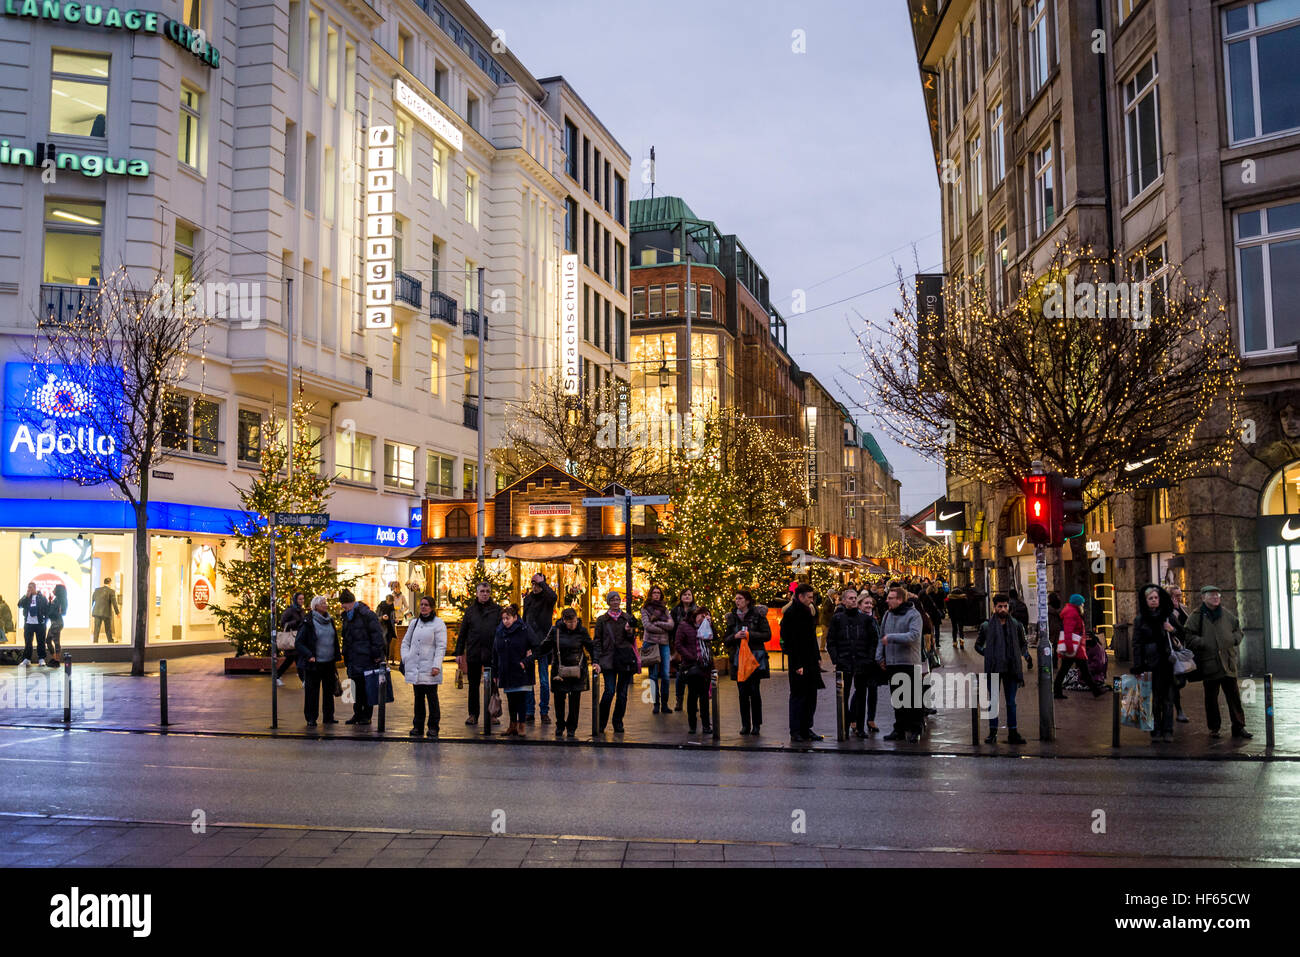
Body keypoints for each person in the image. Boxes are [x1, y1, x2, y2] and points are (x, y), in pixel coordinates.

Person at [1183, 585, 1251, 740]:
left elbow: (1238, 630)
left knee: (1234, 696)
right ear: (1203, 598)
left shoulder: (1226, 614)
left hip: (1227, 662)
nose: (1216, 598)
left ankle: (1239, 727)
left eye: (1218, 595)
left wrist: (1234, 639)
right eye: (1212, 595)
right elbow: (1188, 635)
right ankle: (1214, 728)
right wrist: (1202, 642)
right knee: (1211, 698)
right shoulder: (1197, 615)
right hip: (1209, 663)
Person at [975, 594, 1033, 745]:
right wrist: (988, 654)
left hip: (1011, 668)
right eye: (999, 606)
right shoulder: (986, 626)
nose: (1002, 609)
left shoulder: (1016, 624)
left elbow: (1023, 643)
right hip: (994, 667)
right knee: (993, 702)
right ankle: (992, 732)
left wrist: (1023, 655)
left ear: (1008, 607)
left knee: (1011, 702)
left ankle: (1013, 732)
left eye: (1005, 606)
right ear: (994, 608)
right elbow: (978, 645)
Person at [825, 586, 878, 739]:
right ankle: (845, 725)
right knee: (844, 695)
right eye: (850, 598)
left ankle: (860, 727)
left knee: (861, 696)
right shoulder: (838, 618)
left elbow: (873, 640)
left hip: (862, 662)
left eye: (855, 598)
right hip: (845, 662)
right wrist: (837, 659)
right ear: (843, 601)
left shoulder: (866, 619)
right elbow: (831, 640)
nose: (854, 601)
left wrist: (869, 658)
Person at [1131, 584, 1177, 744]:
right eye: (1150, 598)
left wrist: (1171, 630)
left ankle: (1168, 730)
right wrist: (1137, 666)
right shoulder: (1140, 619)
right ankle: (1156, 729)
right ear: (1145, 601)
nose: (1153, 601)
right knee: (1154, 699)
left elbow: (1182, 634)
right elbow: (1136, 644)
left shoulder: (1168, 616)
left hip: (1167, 663)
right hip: (1150, 663)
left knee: (1168, 699)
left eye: (1156, 598)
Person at [722, 589, 771, 736]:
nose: (737, 601)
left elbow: (767, 635)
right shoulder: (732, 618)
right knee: (742, 693)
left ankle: (756, 725)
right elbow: (726, 639)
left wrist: (750, 635)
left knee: (755, 692)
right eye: (736, 599)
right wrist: (735, 636)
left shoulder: (758, 615)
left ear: (748, 601)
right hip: (738, 660)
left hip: (754, 659)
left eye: (740, 599)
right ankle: (745, 725)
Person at [878, 586, 924, 741]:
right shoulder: (887, 614)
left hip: (909, 662)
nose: (887, 600)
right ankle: (899, 729)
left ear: (899, 599)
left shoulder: (914, 615)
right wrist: (880, 657)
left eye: (890, 598)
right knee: (897, 699)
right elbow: (881, 636)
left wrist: (892, 637)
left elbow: (914, 636)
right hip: (892, 662)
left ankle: (916, 728)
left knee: (913, 699)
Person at [541, 607, 594, 739]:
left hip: (577, 670)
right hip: (559, 670)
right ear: (564, 620)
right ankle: (560, 725)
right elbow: (545, 646)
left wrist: (596, 661)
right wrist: (531, 654)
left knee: (575, 701)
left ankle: (572, 727)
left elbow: (591, 647)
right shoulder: (555, 631)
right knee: (559, 700)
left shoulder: (581, 631)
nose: (572, 624)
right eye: (570, 622)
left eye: (575, 621)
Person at [454, 582, 502, 725]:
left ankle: (493, 713)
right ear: (476, 593)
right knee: (473, 685)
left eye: (487, 591)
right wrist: (459, 653)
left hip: (492, 652)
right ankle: (473, 714)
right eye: (482, 591)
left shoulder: (497, 610)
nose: (485, 593)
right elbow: (462, 634)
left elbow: (501, 632)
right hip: (474, 652)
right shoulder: (470, 611)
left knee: (493, 685)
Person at [339, 588, 387, 725]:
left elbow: (377, 636)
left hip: (366, 658)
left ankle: (366, 715)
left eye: (344, 603)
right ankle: (357, 714)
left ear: (350, 602)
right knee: (355, 687)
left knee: (367, 688)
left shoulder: (367, 615)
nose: (342, 606)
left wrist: (377, 655)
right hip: (353, 658)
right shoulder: (347, 616)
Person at [592, 591, 639, 734]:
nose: (615, 602)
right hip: (607, 660)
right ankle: (601, 722)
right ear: (608, 602)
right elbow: (597, 641)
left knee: (622, 693)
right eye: (612, 599)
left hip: (624, 659)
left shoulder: (627, 618)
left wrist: (629, 631)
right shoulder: (601, 620)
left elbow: (632, 641)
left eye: (617, 599)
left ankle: (618, 721)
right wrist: (596, 660)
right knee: (609, 691)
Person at [401, 595, 447, 737]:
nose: (423, 607)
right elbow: (405, 642)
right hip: (415, 667)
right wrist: (406, 658)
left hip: (430, 668)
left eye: (426, 605)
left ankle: (433, 726)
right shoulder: (414, 623)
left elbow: (440, 646)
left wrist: (436, 665)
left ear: (432, 607)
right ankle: (418, 726)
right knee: (418, 698)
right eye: (421, 604)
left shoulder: (438, 624)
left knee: (432, 698)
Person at [784, 583, 824, 742]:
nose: (811, 600)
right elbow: (789, 641)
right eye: (809, 597)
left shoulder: (808, 611)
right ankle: (796, 730)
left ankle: (807, 728)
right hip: (799, 662)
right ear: (800, 596)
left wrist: (818, 657)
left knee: (811, 696)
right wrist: (797, 664)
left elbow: (812, 638)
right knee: (799, 696)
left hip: (811, 660)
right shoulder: (791, 613)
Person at [492, 603, 538, 737]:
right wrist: (495, 672)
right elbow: (495, 653)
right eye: (503, 618)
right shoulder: (500, 632)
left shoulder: (524, 629)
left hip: (521, 670)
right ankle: (512, 725)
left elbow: (537, 648)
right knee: (511, 699)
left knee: (521, 699)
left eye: (508, 618)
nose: (505, 621)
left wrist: (526, 662)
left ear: (515, 618)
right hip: (506, 670)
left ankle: (521, 724)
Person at [295, 596, 340, 727]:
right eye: (323, 603)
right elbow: (299, 643)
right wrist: (309, 655)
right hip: (314, 663)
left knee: (328, 691)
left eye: (326, 603)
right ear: (316, 606)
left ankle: (328, 717)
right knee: (312, 692)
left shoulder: (330, 620)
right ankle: (311, 718)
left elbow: (334, 640)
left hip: (329, 662)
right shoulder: (308, 622)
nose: (326, 605)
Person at [1054, 593, 1106, 698]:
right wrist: (1069, 648)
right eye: (1082, 603)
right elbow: (1068, 632)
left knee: (1072, 670)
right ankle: (1096, 690)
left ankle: (1095, 691)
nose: (1083, 605)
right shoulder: (1071, 613)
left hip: (1075, 647)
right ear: (1077, 604)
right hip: (1074, 648)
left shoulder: (1072, 611)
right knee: (1079, 670)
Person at [522, 572, 558, 725]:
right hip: (530, 644)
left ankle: (544, 711)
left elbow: (553, 597)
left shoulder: (547, 599)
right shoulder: (528, 599)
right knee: (529, 680)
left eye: (538, 584)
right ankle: (529, 711)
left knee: (544, 680)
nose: (535, 587)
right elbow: (525, 620)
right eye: (533, 584)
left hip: (544, 644)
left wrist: (543, 583)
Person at [675, 607, 713, 733]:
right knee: (692, 696)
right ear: (695, 615)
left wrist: (711, 624)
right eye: (702, 616)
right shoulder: (684, 626)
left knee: (704, 696)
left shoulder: (707, 626)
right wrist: (692, 657)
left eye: (706, 616)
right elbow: (678, 644)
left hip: (705, 665)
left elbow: (715, 637)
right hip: (691, 666)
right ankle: (692, 725)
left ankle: (706, 725)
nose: (704, 619)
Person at [640, 584, 675, 713]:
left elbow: (671, 625)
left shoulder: (665, 609)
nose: (656, 595)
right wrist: (663, 628)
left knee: (665, 675)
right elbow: (647, 626)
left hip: (664, 644)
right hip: (651, 644)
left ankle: (665, 704)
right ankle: (656, 703)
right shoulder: (645, 609)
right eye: (654, 592)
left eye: (658, 593)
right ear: (650, 594)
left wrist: (658, 623)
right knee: (653, 676)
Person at [670, 587, 700, 710]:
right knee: (680, 674)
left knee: (695, 674)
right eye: (685, 594)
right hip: (679, 644)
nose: (687, 596)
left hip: (693, 645)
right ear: (681, 597)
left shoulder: (697, 610)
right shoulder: (675, 610)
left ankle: (694, 700)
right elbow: (672, 627)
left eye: (689, 594)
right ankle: (679, 700)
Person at [1168, 585, 1191, 723]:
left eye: (1179, 594)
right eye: (1175, 595)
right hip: (1171, 650)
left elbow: (1186, 627)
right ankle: (1178, 710)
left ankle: (1171, 700)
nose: (1179, 597)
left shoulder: (1182, 608)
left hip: (1181, 648)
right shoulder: (1167, 611)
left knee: (1181, 681)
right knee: (1176, 681)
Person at [276, 592, 307, 687]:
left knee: (293, 660)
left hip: (299, 638)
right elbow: (283, 623)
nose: (302, 601)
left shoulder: (301, 610)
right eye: (300, 599)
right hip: (291, 638)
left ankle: (277, 676)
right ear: (295, 600)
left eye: (303, 599)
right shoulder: (290, 610)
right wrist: (296, 622)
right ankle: (303, 681)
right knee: (295, 659)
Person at [18, 582, 48, 666]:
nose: (29, 589)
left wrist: (45, 621)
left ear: (35, 588)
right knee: (28, 642)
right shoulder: (26, 597)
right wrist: (26, 596)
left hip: (39, 623)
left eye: (31, 587)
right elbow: (20, 605)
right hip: (28, 623)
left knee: (41, 642)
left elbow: (46, 609)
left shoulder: (41, 597)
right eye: (28, 587)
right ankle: (27, 659)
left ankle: (41, 659)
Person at [45, 583, 67, 666]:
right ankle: (55, 658)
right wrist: (50, 601)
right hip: (55, 623)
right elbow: (51, 610)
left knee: (55, 641)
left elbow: (62, 612)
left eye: (54, 589)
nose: (53, 590)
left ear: (58, 591)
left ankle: (57, 660)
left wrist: (58, 611)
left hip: (57, 623)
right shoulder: (56, 599)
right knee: (49, 641)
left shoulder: (61, 600)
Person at [91, 578, 119, 643]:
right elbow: (114, 603)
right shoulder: (111, 591)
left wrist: (93, 608)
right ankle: (110, 640)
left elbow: (93, 599)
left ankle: (95, 641)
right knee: (108, 628)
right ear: (109, 583)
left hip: (97, 612)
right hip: (106, 613)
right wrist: (117, 613)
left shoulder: (97, 590)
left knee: (96, 629)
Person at [375, 592, 400, 664]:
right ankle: (383, 659)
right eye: (389, 602)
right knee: (384, 643)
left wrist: (395, 620)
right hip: (382, 627)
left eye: (391, 602)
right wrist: (382, 618)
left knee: (389, 644)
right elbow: (376, 617)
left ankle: (387, 660)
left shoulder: (392, 607)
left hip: (390, 628)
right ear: (386, 600)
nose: (390, 603)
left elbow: (393, 617)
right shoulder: (381, 606)